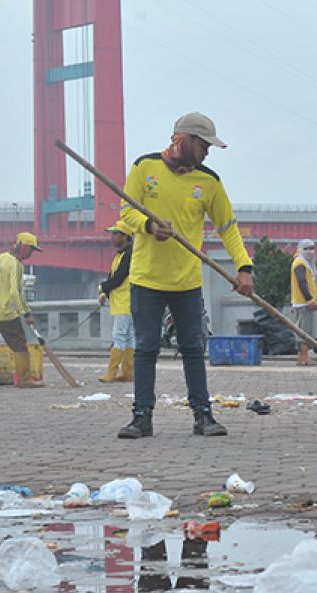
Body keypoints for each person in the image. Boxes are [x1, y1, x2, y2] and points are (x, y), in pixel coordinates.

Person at [117, 111, 255, 440]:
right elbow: (126, 213)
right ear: (182, 140)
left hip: (187, 283)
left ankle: (203, 415)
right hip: (146, 279)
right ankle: (141, 416)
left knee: (193, 348)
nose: (207, 152)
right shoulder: (143, 168)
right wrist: (149, 226)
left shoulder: (208, 181)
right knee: (146, 349)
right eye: (203, 145)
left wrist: (244, 268)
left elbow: (228, 229)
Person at [0, 232, 42, 389]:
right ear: (24, 247)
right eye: (31, 250)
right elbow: (15, 292)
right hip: (4, 312)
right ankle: (24, 380)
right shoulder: (16, 265)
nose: (31, 254)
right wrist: (26, 312)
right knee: (20, 346)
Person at [98, 224, 135, 383]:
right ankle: (127, 373)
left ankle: (111, 373)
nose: (112, 237)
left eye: (116, 234)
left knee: (119, 336)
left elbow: (119, 278)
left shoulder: (129, 255)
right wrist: (105, 292)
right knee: (129, 337)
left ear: (125, 236)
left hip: (125, 301)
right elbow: (113, 275)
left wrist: (102, 287)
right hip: (123, 301)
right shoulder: (120, 255)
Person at [290, 239, 317, 365]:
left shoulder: (302, 263)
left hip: (300, 302)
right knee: (304, 332)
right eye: (306, 249)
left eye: (312, 248)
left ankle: (300, 357)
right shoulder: (300, 263)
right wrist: (310, 299)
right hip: (304, 303)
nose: (310, 251)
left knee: (301, 330)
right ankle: (305, 356)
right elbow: (302, 282)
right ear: (300, 249)